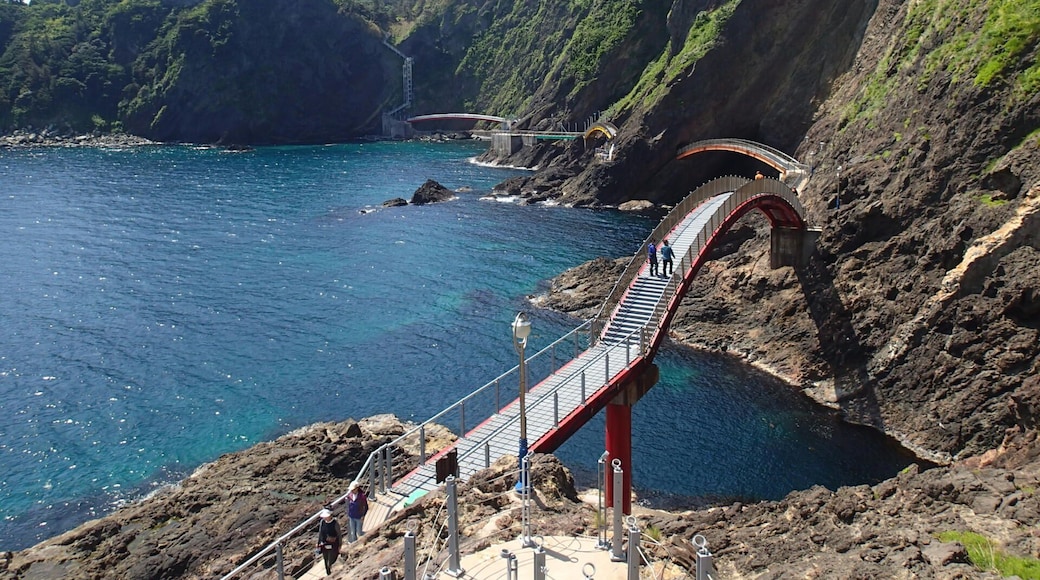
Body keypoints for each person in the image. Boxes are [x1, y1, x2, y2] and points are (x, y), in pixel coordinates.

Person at [316, 508, 342, 575]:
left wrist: (340, 545)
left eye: (326, 516)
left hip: (333, 545)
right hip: (324, 544)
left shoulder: (335, 523)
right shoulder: (322, 522)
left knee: (331, 560)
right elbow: (320, 532)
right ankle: (328, 573)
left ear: (330, 515)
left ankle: (331, 573)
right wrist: (318, 542)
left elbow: (339, 535)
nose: (325, 518)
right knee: (325, 559)